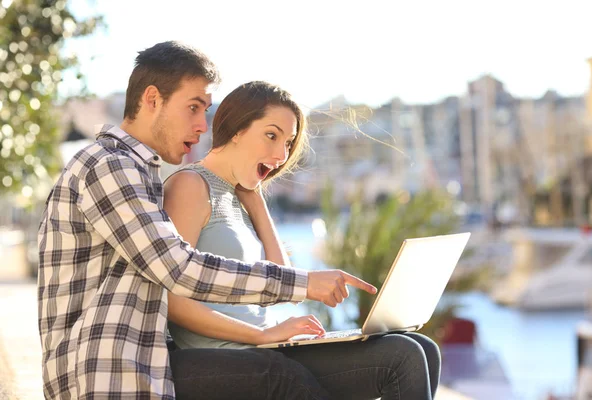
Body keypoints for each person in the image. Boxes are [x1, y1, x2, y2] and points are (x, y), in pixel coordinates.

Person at [37, 41, 377, 399]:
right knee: (283, 377)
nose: (203, 126)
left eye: (206, 111)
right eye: (193, 108)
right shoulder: (109, 167)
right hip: (104, 378)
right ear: (152, 99)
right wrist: (303, 283)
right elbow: (180, 270)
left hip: (137, 368)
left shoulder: (138, 173)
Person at [163, 81, 442, 399]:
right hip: (232, 357)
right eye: (271, 135)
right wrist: (261, 334)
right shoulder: (190, 185)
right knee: (401, 357)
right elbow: (174, 301)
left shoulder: (240, 193)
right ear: (236, 129)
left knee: (422, 349)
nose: (281, 155)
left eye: (288, 142)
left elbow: (281, 286)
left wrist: (256, 201)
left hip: (267, 344)